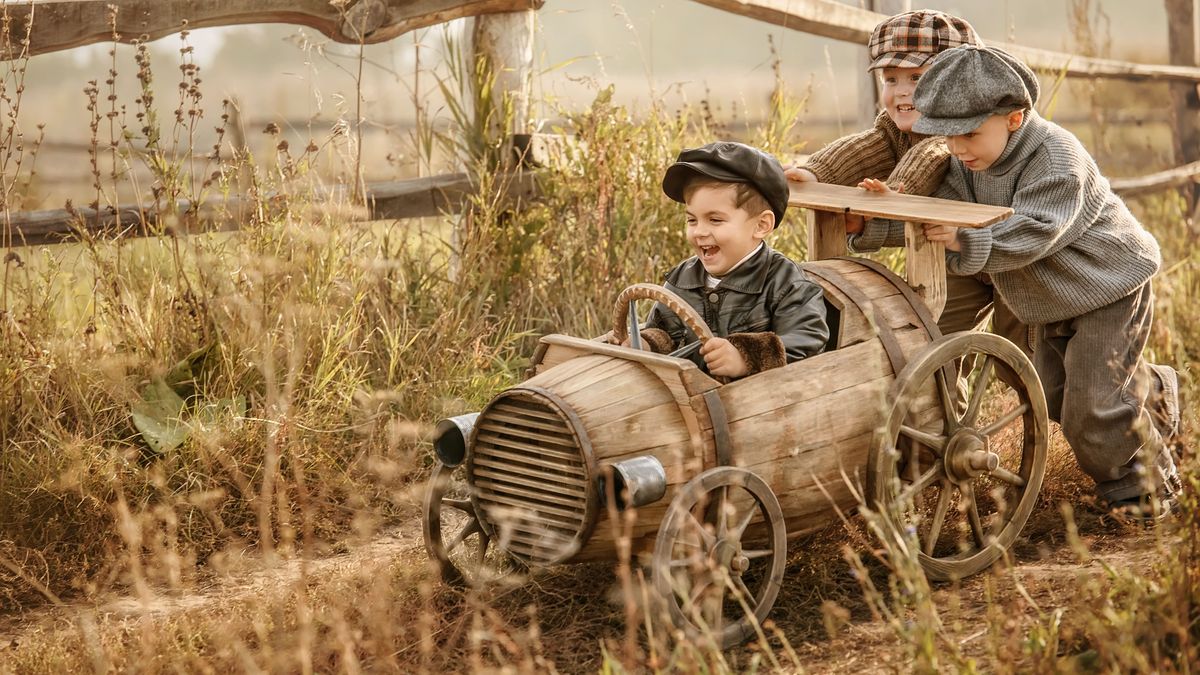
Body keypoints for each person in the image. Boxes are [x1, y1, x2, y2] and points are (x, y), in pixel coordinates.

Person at [858, 45, 1182, 520]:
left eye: (968, 134)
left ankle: (1148, 487)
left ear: (1014, 118)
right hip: (1048, 299)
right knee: (1050, 398)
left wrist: (967, 242)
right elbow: (939, 217)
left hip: (1109, 286)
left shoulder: (1055, 158)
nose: (957, 148)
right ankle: (1151, 389)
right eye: (946, 137)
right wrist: (873, 224)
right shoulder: (966, 164)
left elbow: (1038, 229)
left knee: (1091, 410)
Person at [786, 10, 1029, 353]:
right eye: (891, 79)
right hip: (955, 257)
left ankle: (1043, 403)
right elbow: (864, 148)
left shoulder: (960, 131)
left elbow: (930, 157)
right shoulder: (893, 130)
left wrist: (896, 194)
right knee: (936, 340)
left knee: (1024, 346)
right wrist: (814, 172)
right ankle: (944, 403)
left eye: (917, 78)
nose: (902, 92)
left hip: (1011, 253)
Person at [625, 141, 829, 379]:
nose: (699, 231)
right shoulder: (683, 278)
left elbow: (809, 339)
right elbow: (662, 329)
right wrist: (648, 344)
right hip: (692, 403)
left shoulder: (785, 282)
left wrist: (745, 357)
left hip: (759, 406)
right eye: (692, 220)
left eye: (715, 220)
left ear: (761, 225)